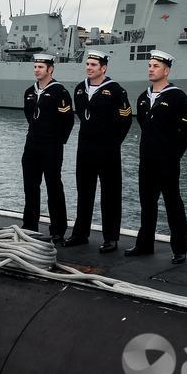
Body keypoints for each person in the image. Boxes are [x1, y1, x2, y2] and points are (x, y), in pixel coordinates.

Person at [126, 50, 187, 264]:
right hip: (147, 160)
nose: (151, 69)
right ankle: (144, 244)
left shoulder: (178, 97)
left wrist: (174, 154)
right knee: (147, 204)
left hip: (168, 161)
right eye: (149, 65)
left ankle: (180, 249)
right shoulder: (143, 98)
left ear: (166, 70)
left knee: (173, 204)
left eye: (155, 66)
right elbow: (145, 127)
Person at [64, 50, 133, 253]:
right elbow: (81, 115)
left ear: (103, 68)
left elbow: (125, 119)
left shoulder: (115, 91)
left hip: (108, 150)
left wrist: (113, 143)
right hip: (85, 148)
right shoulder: (80, 89)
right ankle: (80, 234)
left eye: (93, 65)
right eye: (88, 64)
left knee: (110, 194)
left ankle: (111, 238)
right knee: (84, 192)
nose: (89, 67)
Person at [21, 53, 74, 244]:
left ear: (50, 69)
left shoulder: (60, 92)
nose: (37, 70)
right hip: (32, 146)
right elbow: (29, 115)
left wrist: (56, 140)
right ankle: (29, 226)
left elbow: (67, 120)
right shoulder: (29, 91)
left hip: (51, 147)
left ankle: (58, 229)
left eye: (40, 67)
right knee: (30, 187)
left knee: (54, 187)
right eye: (35, 67)